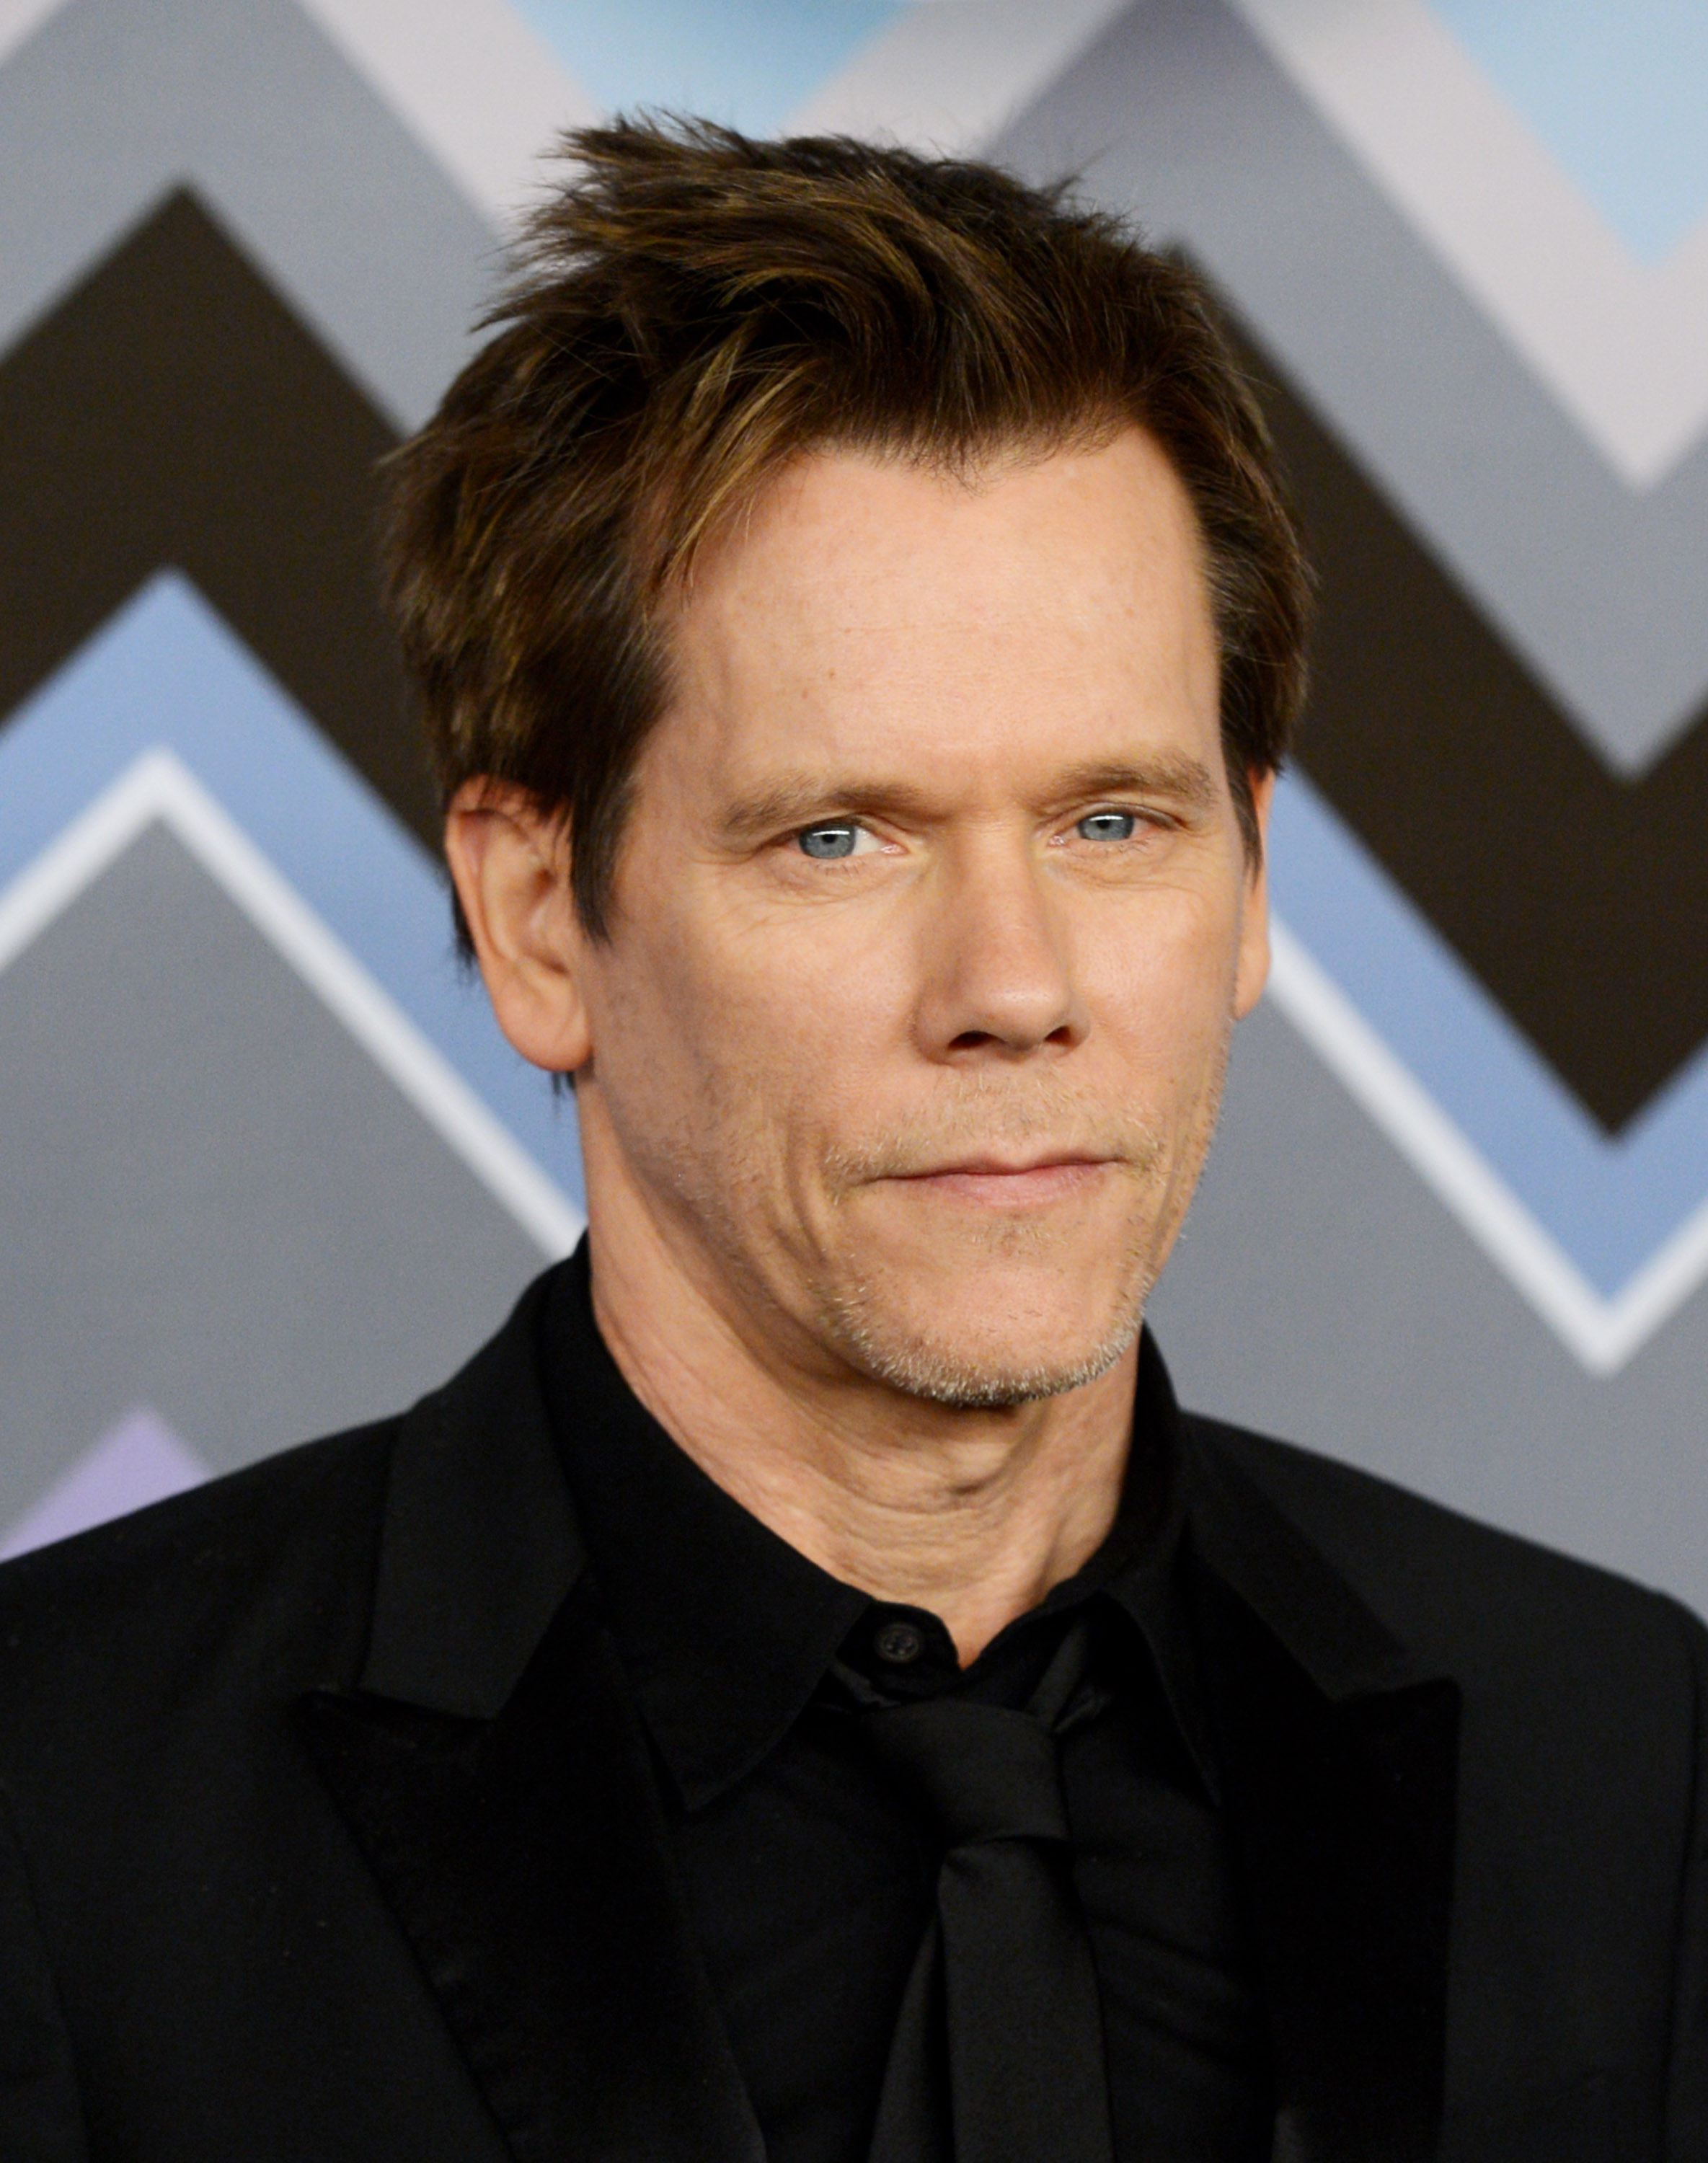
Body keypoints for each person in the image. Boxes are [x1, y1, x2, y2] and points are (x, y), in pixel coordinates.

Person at [0, 119, 1702, 2163]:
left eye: (1112, 822)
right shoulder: (57, 1808)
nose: (1013, 984)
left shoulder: (1623, 1771)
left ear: (1251, 879)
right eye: (838, 837)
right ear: (536, 918)